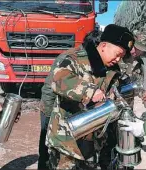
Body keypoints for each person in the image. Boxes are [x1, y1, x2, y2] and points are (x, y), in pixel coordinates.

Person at [42, 24, 135, 170]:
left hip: (93, 143)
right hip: (67, 141)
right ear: (104, 45)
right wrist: (89, 91)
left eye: (121, 57)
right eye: (117, 54)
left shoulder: (113, 70)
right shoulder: (75, 58)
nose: (118, 59)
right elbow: (58, 80)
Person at [37, 29, 102, 170]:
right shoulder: (69, 57)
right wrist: (48, 117)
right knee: (46, 150)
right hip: (52, 109)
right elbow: (51, 88)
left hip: (73, 116)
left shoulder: (92, 60)